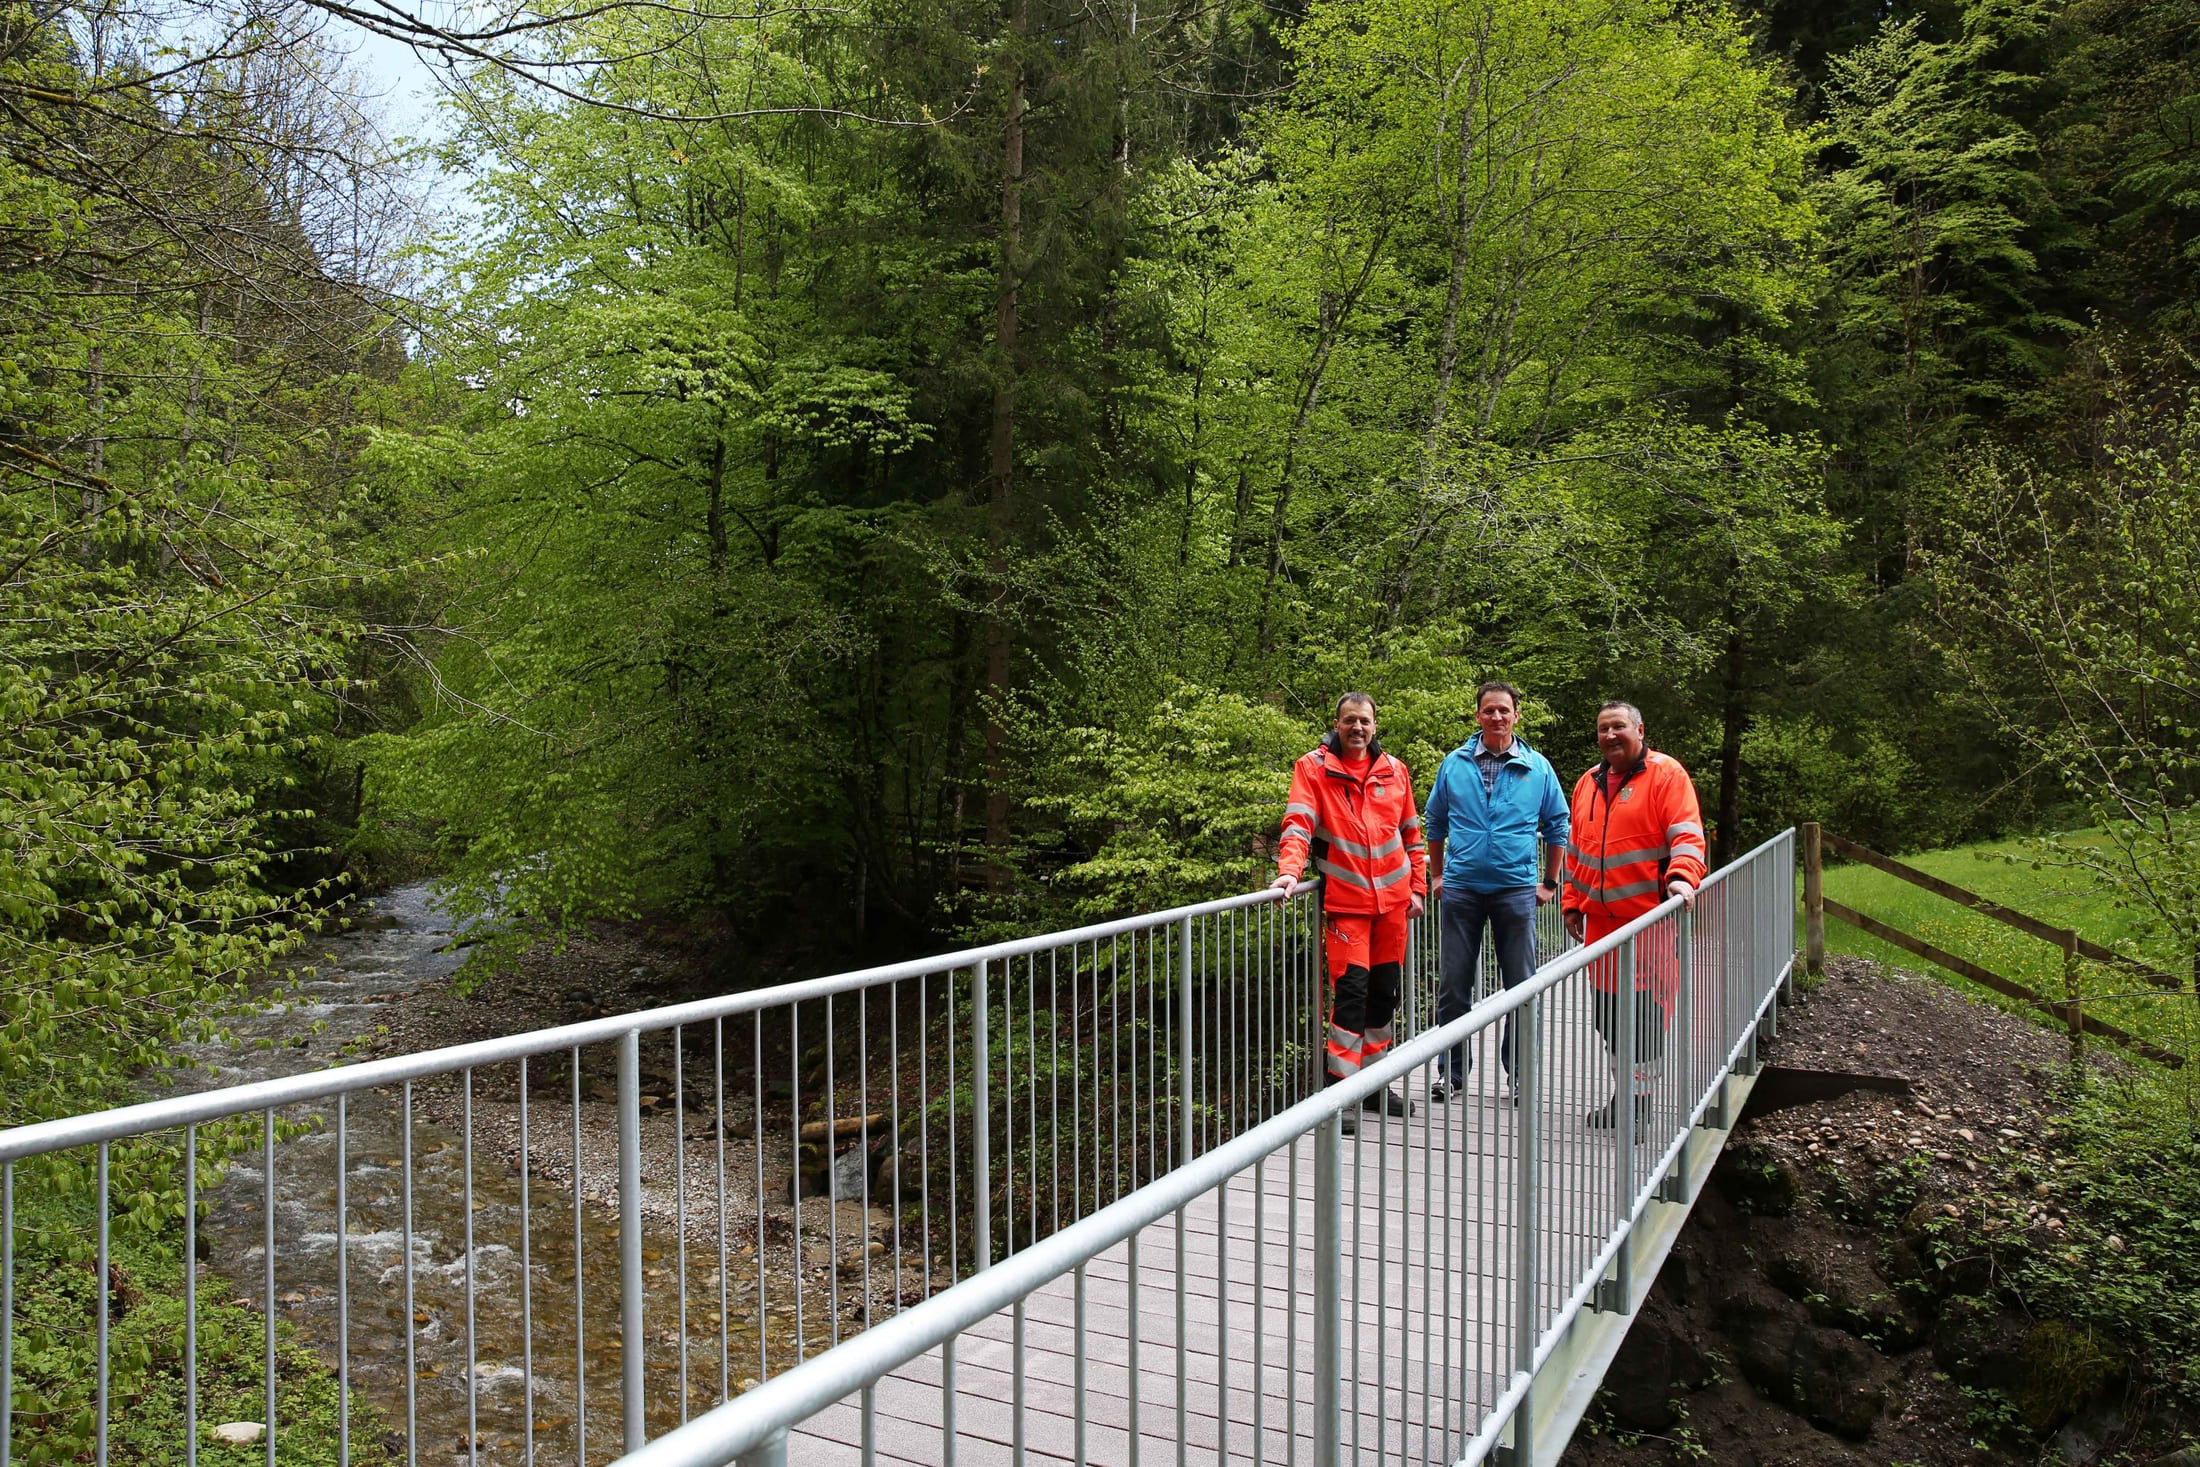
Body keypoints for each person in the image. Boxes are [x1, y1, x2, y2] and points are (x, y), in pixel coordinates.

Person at [1271, 693, 1428, 1134]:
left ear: (1375, 725)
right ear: (1336, 724)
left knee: (1385, 993)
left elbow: (1412, 834)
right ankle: (1338, 1092)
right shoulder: (1314, 768)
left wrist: (1417, 887)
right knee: (1352, 994)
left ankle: (1376, 1086)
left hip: (1394, 903)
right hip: (1347, 904)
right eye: (1349, 721)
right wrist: (1288, 872)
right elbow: (1298, 823)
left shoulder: (1395, 770)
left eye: (1364, 721)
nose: (1357, 727)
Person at [1560, 701, 1707, 1129]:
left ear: (1640, 730)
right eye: (1603, 729)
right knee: (1608, 1018)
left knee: (1644, 1020)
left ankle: (1639, 1103)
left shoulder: (1666, 775)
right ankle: (1624, 1093)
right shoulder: (1588, 782)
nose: (1610, 736)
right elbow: (1577, 849)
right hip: (1601, 927)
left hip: (1649, 923)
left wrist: (1682, 878)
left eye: (1618, 727)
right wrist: (1572, 900)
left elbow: (1686, 835)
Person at [1421, 681, 1569, 1104]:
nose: (1497, 717)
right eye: (1489, 710)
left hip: (1516, 889)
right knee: (1453, 986)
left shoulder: (1537, 766)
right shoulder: (1455, 763)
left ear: (1516, 715)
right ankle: (1451, 1074)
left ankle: (1520, 1075)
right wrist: (1436, 875)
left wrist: (1550, 883)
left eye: (1504, 710)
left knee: (1521, 986)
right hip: (1463, 887)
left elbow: (1559, 825)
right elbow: (1436, 821)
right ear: (1478, 716)